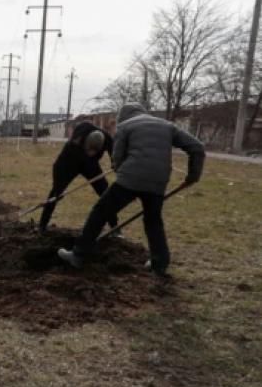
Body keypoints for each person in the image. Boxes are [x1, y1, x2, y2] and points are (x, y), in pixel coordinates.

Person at [58, 103, 205, 285]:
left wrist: (122, 173)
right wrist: (193, 175)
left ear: (122, 116)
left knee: (100, 212)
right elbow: (197, 148)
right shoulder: (168, 126)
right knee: (153, 222)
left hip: (131, 178)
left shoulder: (124, 126)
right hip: (158, 181)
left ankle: (78, 256)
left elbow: (117, 159)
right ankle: (159, 265)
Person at [39, 121, 118, 234]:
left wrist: (115, 163)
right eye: (88, 149)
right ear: (84, 141)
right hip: (69, 163)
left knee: (105, 193)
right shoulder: (78, 135)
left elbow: (115, 155)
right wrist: (58, 186)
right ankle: (42, 226)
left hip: (90, 165)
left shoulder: (107, 139)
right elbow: (59, 165)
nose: (90, 152)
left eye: (94, 151)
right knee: (55, 194)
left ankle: (115, 228)